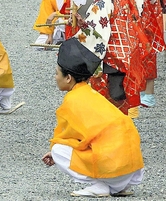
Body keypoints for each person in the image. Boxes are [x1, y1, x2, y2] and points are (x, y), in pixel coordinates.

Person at [44, 39, 144, 197]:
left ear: (68, 78)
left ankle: (102, 185)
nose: (55, 77)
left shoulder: (73, 100)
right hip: (131, 167)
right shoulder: (91, 92)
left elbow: (71, 137)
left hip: (113, 168)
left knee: (58, 150)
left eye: (57, 73)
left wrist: (53, 152)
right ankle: (116, 186)